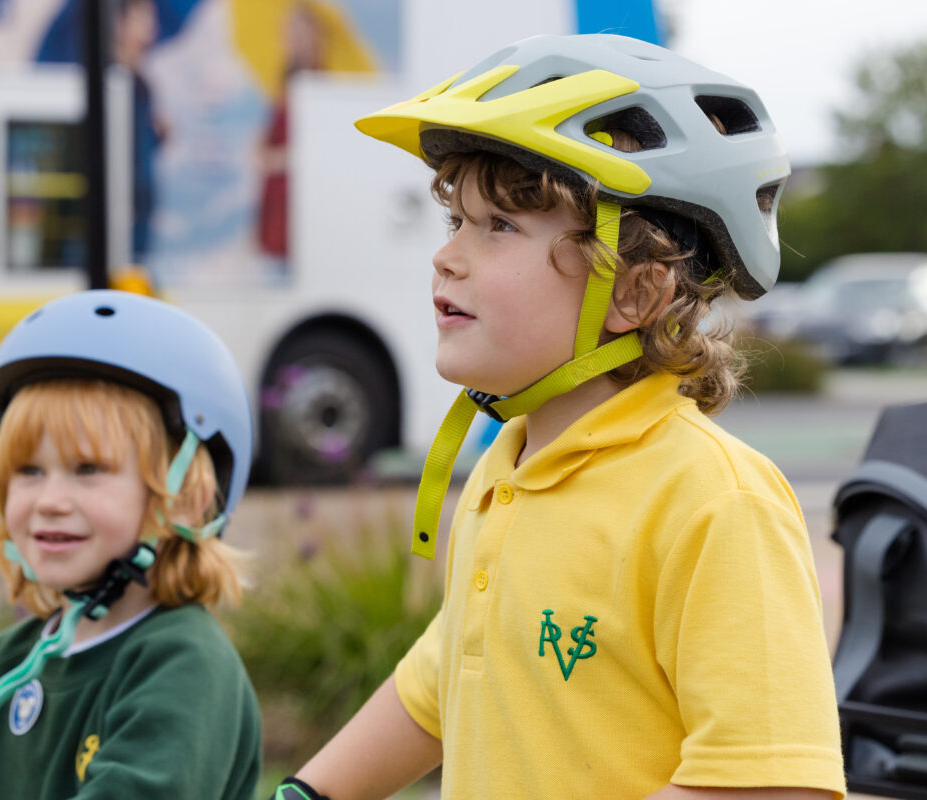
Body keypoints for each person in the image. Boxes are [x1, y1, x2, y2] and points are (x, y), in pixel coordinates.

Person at [271, 34, 846, 800]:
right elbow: (441, 683)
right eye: (456, 223)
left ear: (633, 293)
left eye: (499, 227)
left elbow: (770, 783)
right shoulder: (510, 465)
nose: (447, 258)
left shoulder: (714, 502)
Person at [0, 289, 261, 799]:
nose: (50, 500)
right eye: (29, 471)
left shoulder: (184, 665)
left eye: (88, 470)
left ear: (185, 500)